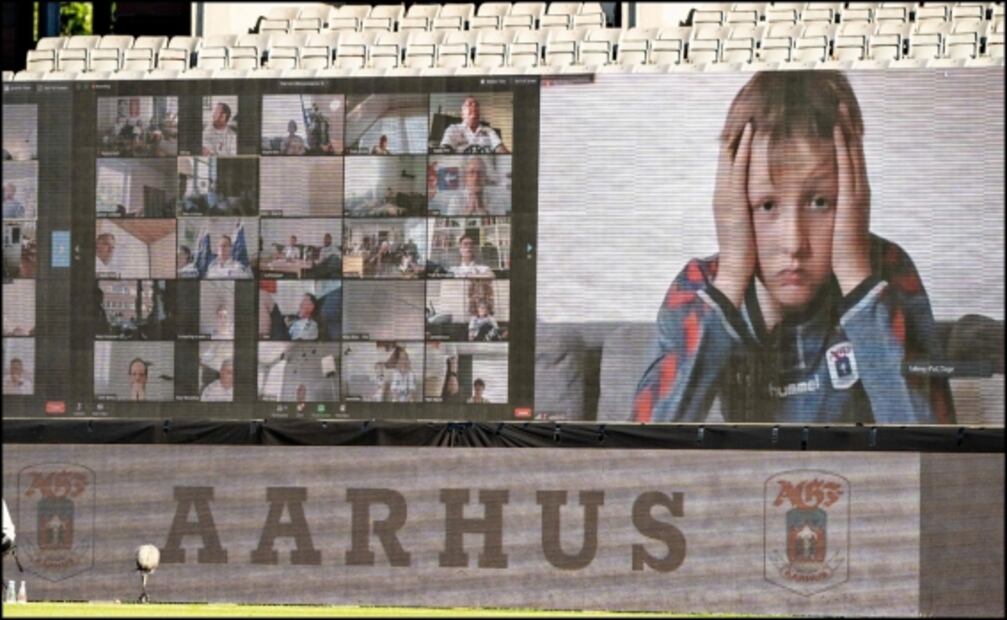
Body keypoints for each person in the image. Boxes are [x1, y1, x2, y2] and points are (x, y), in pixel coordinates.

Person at [633, 71, 955, 425]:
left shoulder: (887, 269)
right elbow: (642, 449)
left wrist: (856, 279)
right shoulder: (700, 286)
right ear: (734, 203)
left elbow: (934, 450)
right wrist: (731, 280)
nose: (793, 243)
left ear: (854, 196)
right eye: (767, 205)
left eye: (820, 202)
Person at [440, 96, 510, 154]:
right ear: (462, 113)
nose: (474, 107)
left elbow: (502, 151)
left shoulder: (489, 131)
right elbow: (444, 151)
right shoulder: (453, 129)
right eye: (469, 104)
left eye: (476, 105)